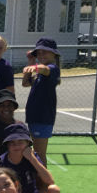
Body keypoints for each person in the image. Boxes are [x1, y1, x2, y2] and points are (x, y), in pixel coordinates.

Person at [0, 123, 60, 193]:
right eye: (12, 142)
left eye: (20, 142)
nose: (16, 145)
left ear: (27, 143)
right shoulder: (1, 162)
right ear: (7, 145)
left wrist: (32, 159)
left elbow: (50, 181)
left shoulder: (32, 157)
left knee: (54, 190)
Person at [22, 37, 61, 166]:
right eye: (39, 53)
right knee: (35, 152)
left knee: (39, 153)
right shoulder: (39, 74)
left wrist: (35, 67)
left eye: (45, 52)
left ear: (54, 54)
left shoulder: (52, 68)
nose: (41, 55)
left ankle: (43, 178)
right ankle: (37, 176)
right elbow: (25, 83)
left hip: (43, 118)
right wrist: (31, 62)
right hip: (34, 116)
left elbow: (45, 69)